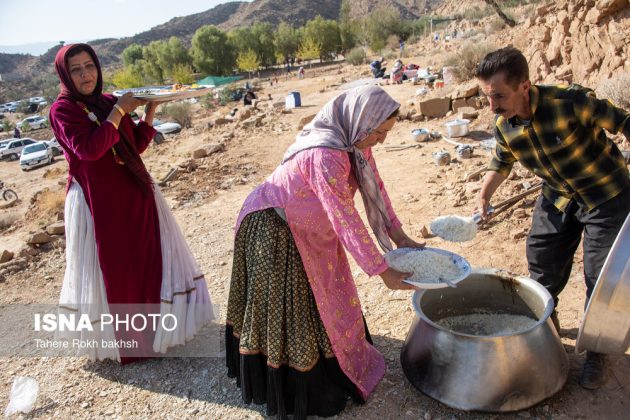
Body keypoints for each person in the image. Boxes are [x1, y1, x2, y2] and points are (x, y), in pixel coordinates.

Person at [225, 86, 423, 418]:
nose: (382, 140)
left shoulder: (355, 142)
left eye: (386, 133)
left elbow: (376, 187)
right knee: (298, 306)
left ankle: (336, 364)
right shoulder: (326, 154)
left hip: (310, 226)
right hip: (276, 228)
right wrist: (382, 270)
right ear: (362, 122)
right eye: (379, 132)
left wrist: (398, 234)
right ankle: (300, 389)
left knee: (327, 294)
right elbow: (344, 216)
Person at [474, 47, 630, 390]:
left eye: (498, 96)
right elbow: (502, 161)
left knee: (599, 276)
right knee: (541, 262)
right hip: (558, 195)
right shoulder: (503, 124)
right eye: (488, 97)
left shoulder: (570, 102)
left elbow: (623, 123)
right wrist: (485, 195)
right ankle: (548, 327)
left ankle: (597, 353)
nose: (492, 106)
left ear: (525, 87)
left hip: (605, 194)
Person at [48, 43, 215, 363]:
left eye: (89, 66)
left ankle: (155, 335)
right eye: (76, 70)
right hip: (97, 205)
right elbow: (90, 149)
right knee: (118, 270)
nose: (86, 74)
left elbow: (133, 146)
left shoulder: (107, 102)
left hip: (134, 194)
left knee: (146, 261)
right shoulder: (63, 111)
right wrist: (119, 111)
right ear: (65, 76)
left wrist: (150, 111)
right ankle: (127, 344)